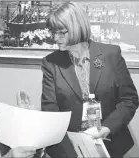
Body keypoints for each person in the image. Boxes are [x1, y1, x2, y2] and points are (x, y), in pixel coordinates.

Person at [41, 1, 138, 158]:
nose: (55, 38)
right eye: (53, 32)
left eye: (61, 32)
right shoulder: (51, 63)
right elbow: (50, 110)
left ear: (76, 27)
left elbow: (129, 100)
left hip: (112, 145)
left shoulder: (111, 54)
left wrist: (108, 127)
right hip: (71, 149)